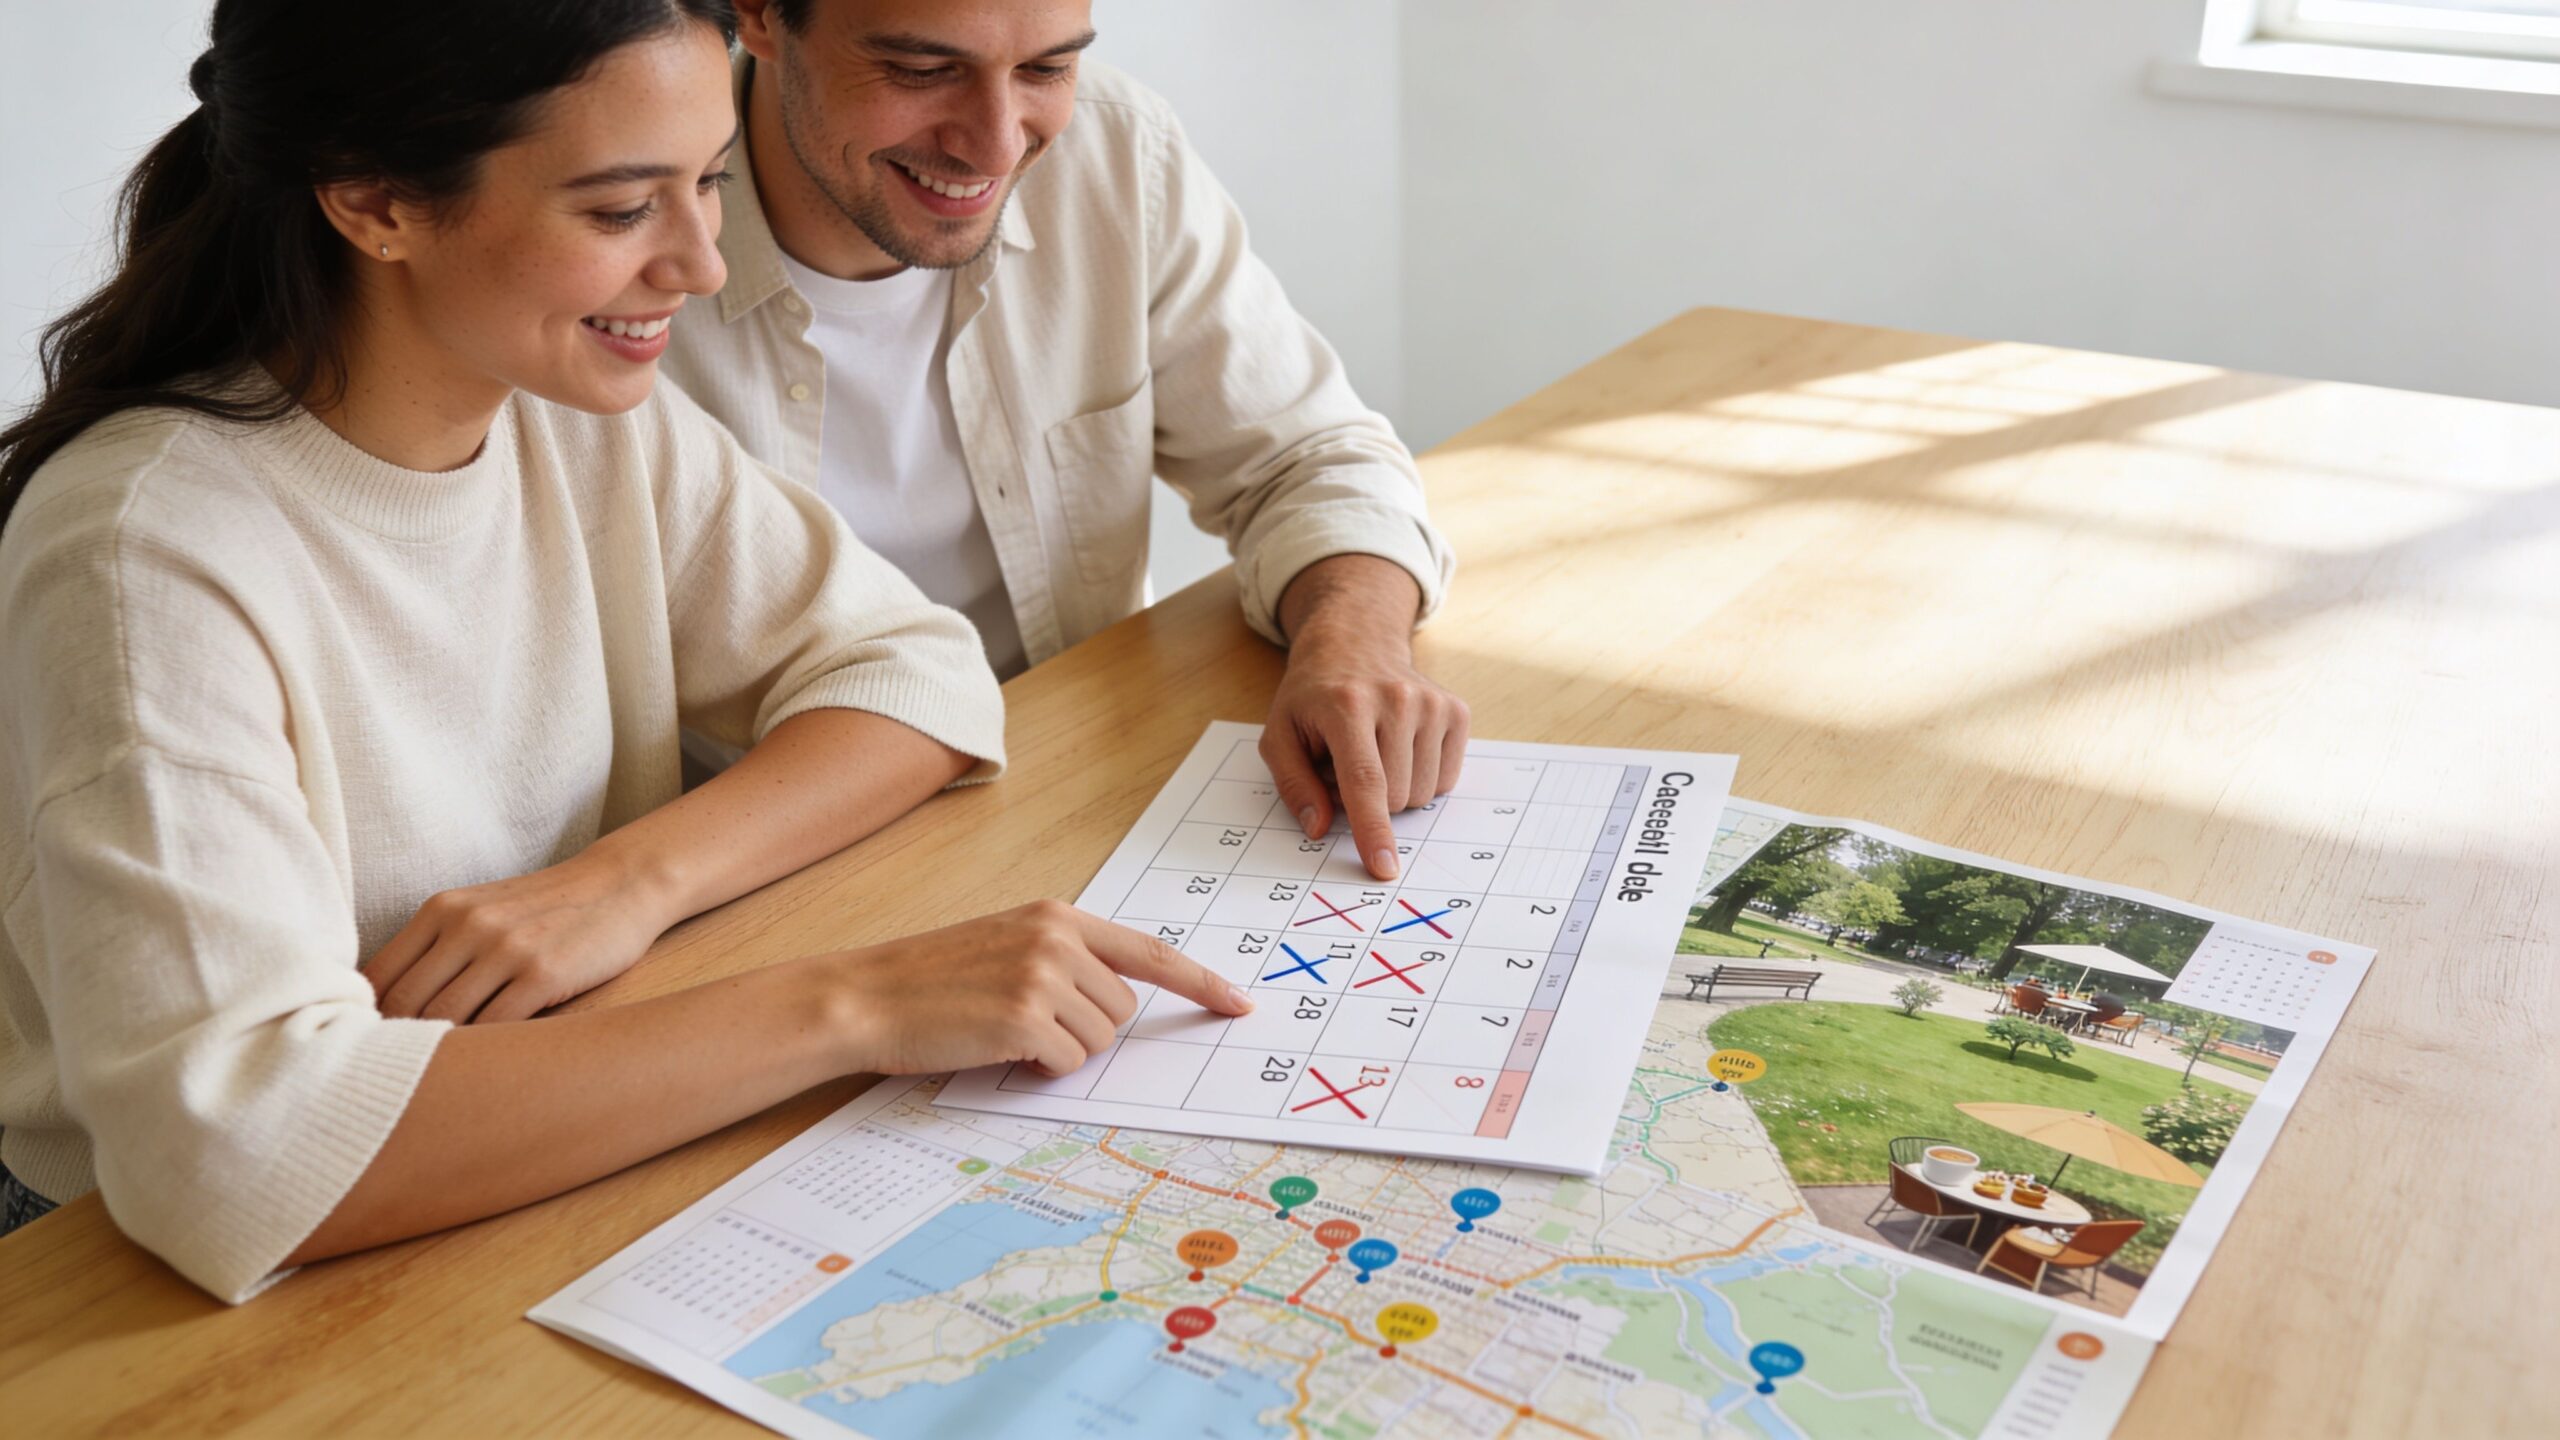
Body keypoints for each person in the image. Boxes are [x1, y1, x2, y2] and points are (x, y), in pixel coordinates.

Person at [0, 0, 1247, 1301]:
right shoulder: (145, 548)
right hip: (152, 1286)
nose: (702, 266)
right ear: (375, 204)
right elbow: (241, 1152)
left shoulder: (571, 413)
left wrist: (630, 884)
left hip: (537, 1140)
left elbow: (914, 674)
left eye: (708, 182)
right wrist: (857, 1007)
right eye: (618, 212)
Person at [660, 0, 1466, 884]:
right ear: (763, 17)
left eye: (1047, 70)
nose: (998, 146)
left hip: (1076, 799)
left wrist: (1350, 641)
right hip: (754, 866)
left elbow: (1308, 457)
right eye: (923, 71)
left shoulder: (1116, 155)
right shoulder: (614, 244)